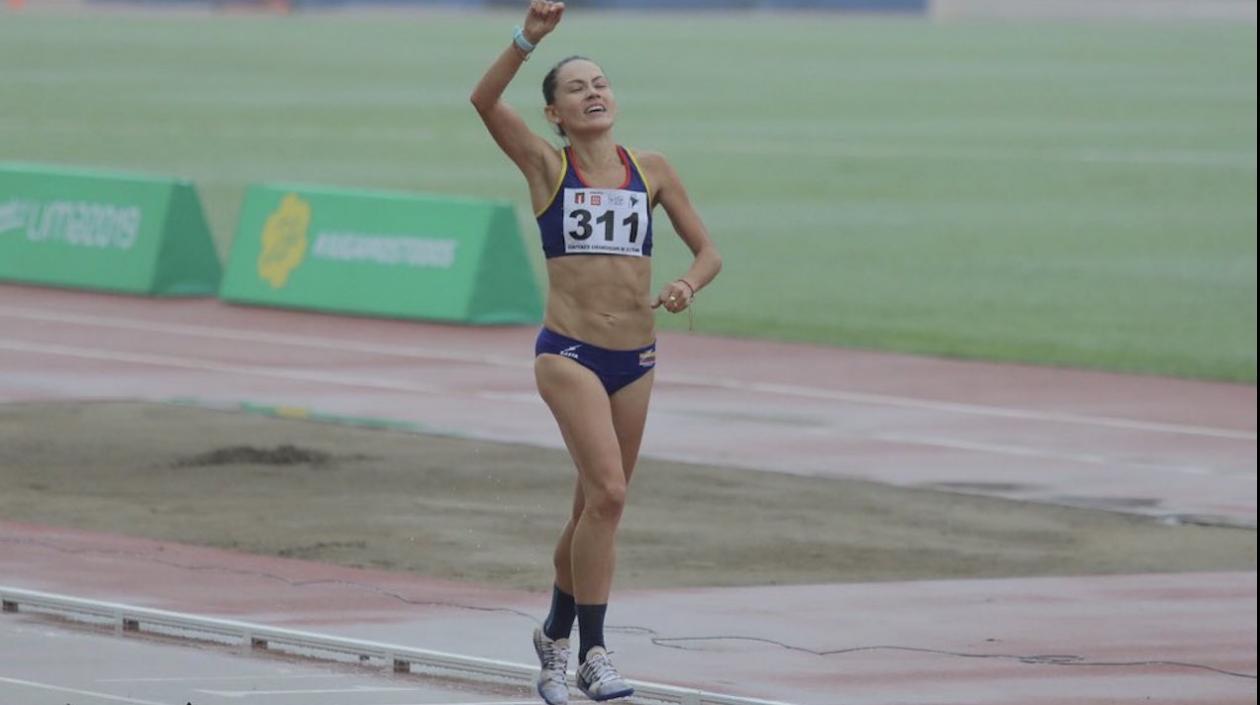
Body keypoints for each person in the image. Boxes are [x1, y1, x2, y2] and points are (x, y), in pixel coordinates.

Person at [470, 2, 722, 702]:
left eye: (600, 82)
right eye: (576, 87)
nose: (593, 92)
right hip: (569, 354)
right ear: (554, 114)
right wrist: (528, 40)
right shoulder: (547, 169)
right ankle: (593, 652)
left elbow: (709, 252)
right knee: (609, 492)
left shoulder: (653, 170)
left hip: (635, 359)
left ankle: (551, 634)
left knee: (597, 509)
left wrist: (683, 283)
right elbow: (482, 100)